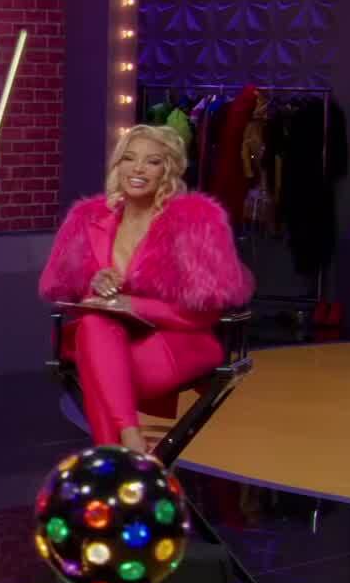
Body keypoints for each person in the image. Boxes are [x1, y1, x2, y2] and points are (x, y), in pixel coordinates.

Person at [38, 125, 253, 453]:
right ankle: (129, 441)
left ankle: (115, 454)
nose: (137, 169)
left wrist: (133, 305)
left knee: (99, 369)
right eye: (129, 158)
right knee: (94, 328)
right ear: (118, 164)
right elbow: (60, 287)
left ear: (168, 170)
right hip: (107, 342)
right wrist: (94, 281)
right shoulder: (87, 218)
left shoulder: (195, 220)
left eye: (152, 162)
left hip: (180, 342)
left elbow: (207, 309)